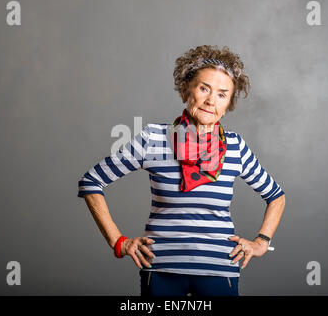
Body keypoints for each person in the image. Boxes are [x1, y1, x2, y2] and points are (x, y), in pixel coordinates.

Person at [77, 45, 286, 296]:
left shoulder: (235, 147)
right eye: (204, 88)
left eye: (222, 94)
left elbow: (276, 196)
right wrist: (118, 241)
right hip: (161, 271)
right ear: (186, 88)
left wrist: (261, 242)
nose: (211, 100)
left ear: (229, 102)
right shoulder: (153, 139)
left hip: (219, 271)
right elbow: (91, 182)